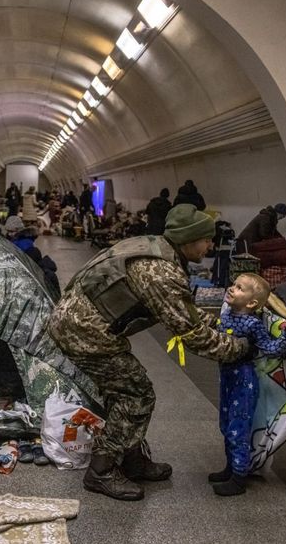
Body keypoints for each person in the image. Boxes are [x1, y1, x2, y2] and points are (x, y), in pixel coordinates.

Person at [47, 204, 250, 501]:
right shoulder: (160, 271)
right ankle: (101, 471)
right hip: (84, 331)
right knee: (136, 394)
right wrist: (240, 348)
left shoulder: (156, 247)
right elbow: (191, 334)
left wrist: (223, 326)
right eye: (206, 240)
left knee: (125, 390)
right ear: (189, 240)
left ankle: (131, 459)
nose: (210, 246)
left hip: (79, 321)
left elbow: (185, 312)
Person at [213, 273, 286, 497]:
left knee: (238, 428)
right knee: (226, 424)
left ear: (251, 303)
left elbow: (270, 348)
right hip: (227, 377)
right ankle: (230, 468)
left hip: (243, 380)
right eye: (233, 284)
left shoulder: (253, 323)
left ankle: (239, 477)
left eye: (239, 288)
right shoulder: (227, 314)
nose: (231, 288)